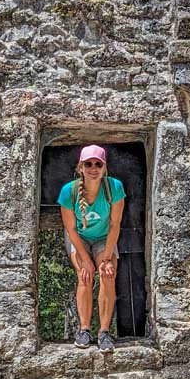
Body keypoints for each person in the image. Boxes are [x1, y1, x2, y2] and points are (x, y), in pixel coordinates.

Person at [57, 145, 125, 351]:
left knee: (107, 274)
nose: (93, 168)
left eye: (98, 164)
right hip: (79, 238)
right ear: (81, 167)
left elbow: (115, 225)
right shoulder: (69, 191)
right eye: (88, 164)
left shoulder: (114, 188)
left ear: (105, 168)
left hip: (105, 237)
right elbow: (70, 228)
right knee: (85, 275)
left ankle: (104, 332)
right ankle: (84, 329)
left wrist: (105, 259)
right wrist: (86, 260)